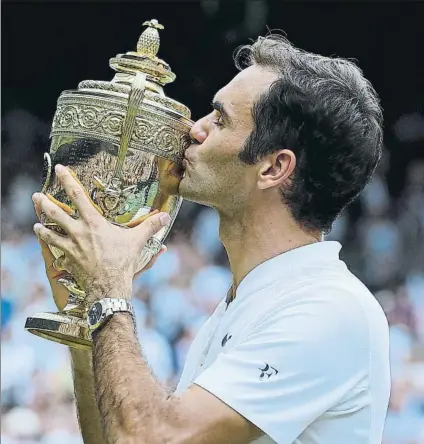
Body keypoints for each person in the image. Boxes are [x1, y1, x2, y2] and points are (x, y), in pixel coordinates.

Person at [32, 34, 390, 444]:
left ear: (274, 167)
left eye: (219, 120)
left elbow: (149, 439)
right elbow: (122, 436)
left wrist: (109, 290)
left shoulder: (329, 308)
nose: (193, 129)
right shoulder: (249, 300)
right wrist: (84, 317)